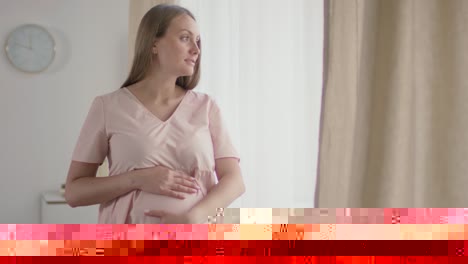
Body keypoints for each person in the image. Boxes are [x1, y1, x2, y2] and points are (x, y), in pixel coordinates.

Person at [64, 4, 245, 224]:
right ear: (154, 44)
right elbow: (74, 193)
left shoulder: (206, 107)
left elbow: (234, 181)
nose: (196, 50)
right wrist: (137, 179)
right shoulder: (108, 106)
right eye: (185, 38)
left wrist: (193, 217)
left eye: (198, 41)